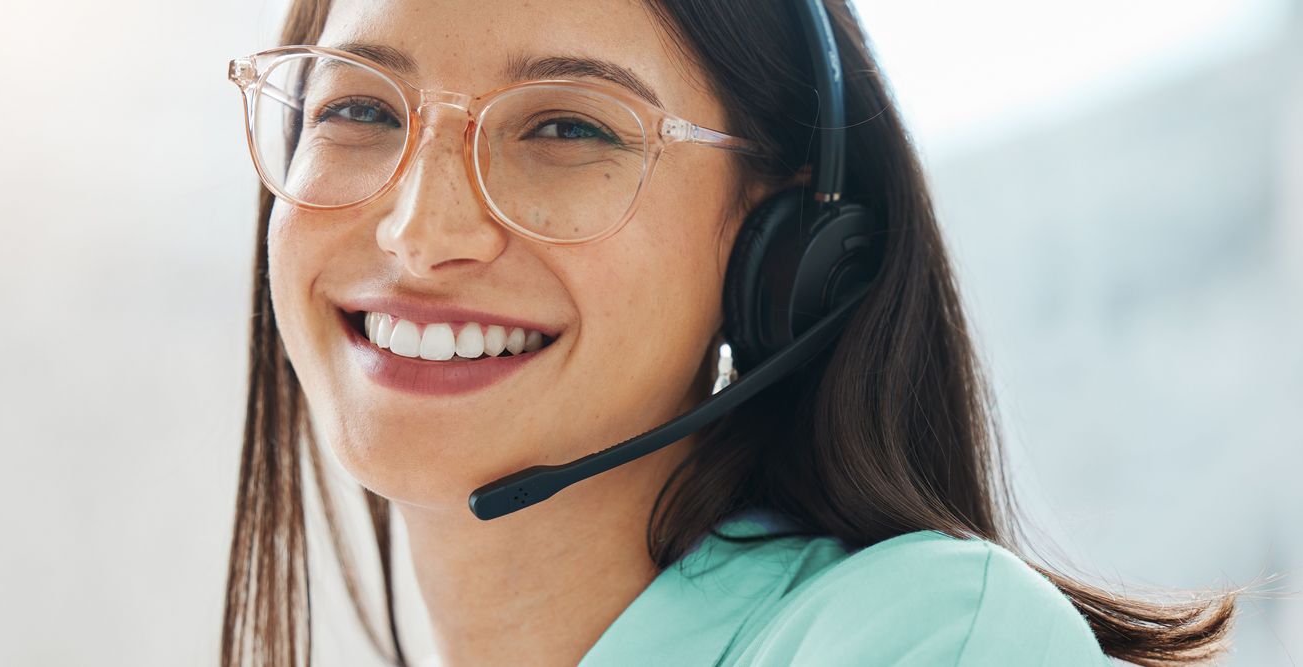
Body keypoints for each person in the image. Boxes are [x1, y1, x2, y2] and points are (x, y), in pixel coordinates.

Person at [218, 0, 1238, 665]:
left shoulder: (922, 638)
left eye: (567, 128)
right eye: (360, 110)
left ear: (780, 243)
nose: (420, 231)